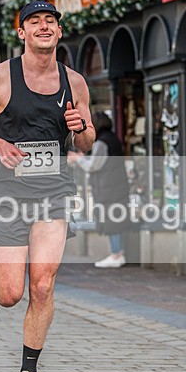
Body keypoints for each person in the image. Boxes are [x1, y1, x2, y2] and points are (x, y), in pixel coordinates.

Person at [0, 1, 95, 372]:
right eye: (34, 22)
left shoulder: (75, 82)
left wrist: (81, 127)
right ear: (22, 33)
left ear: (58, 31)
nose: (43, 27)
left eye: (50, 21)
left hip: (54, 191)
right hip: (9, 194)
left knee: (44, 283)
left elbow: (87, 140)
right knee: (11, 292)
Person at [69, 111, 130, 268]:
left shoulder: (102, 143)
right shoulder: (113, 139)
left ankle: (116, 255)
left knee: (111, 221)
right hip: (116, 187)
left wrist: (78, 159)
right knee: (116, 218)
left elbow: (93, 166)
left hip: (108, 189)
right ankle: (119, 253)